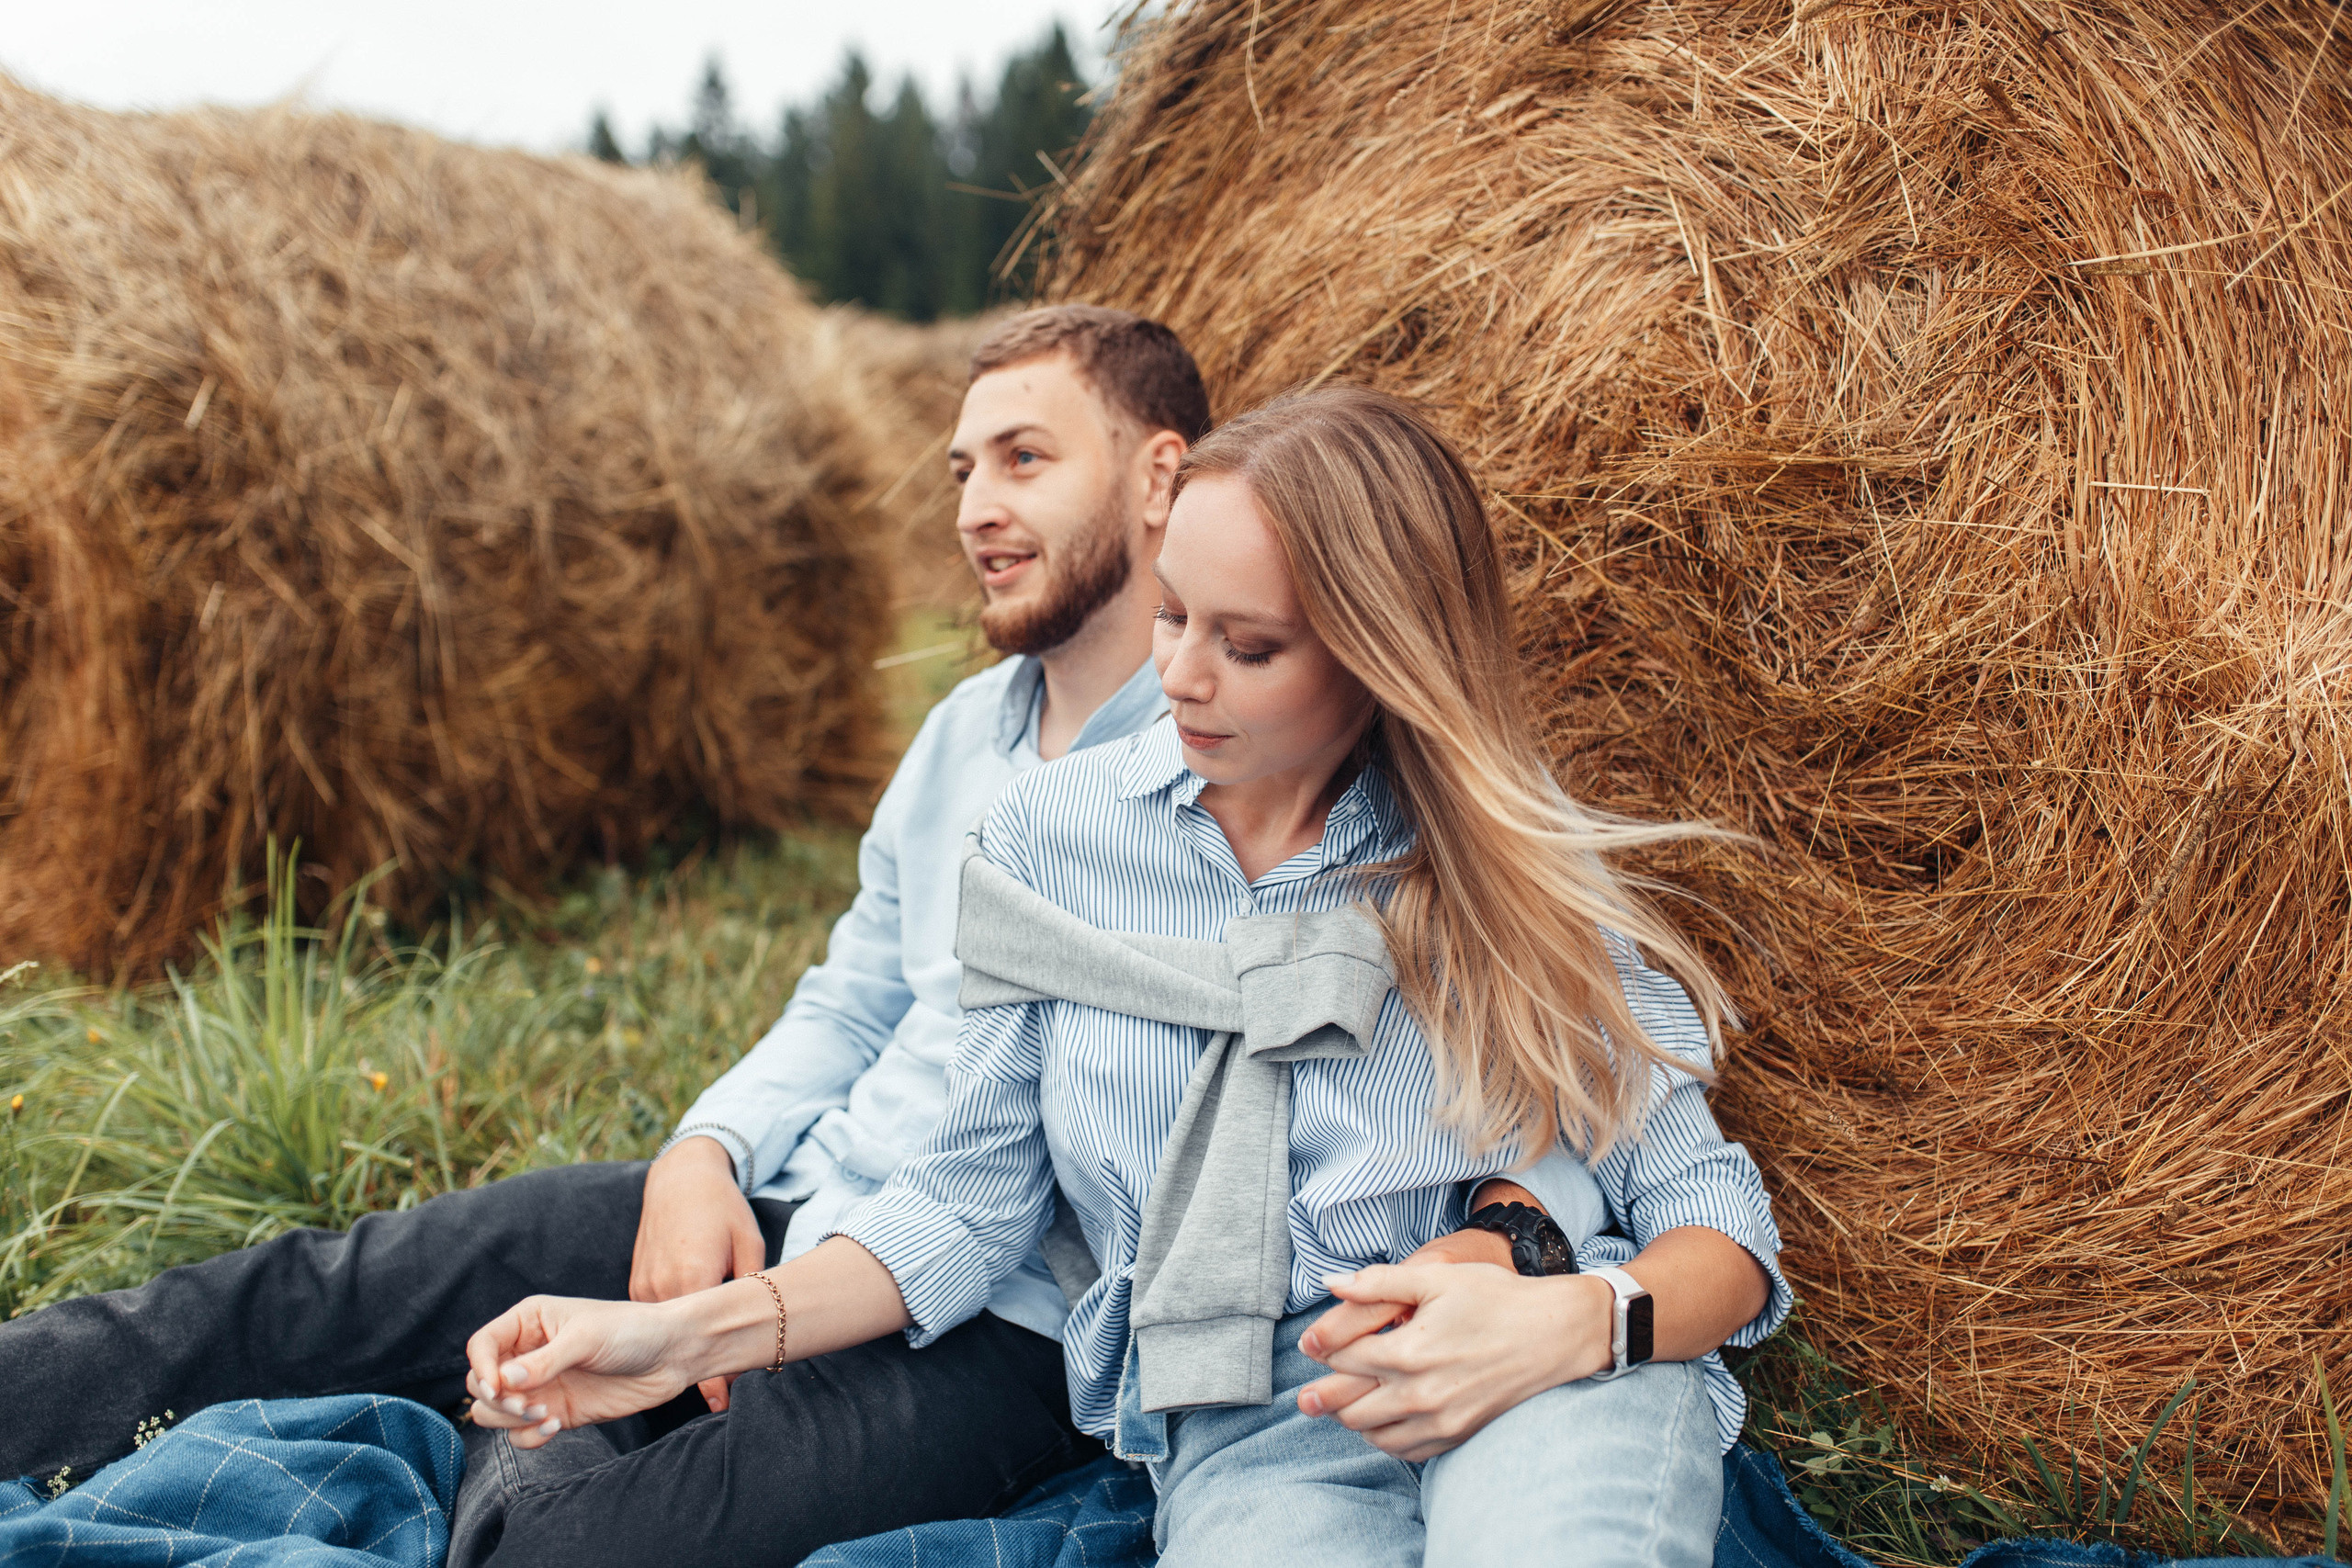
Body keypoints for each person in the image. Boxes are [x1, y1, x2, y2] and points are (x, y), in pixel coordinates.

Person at [461, 386, 1791, 1566]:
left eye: (1249, 647)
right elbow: (963, 1209)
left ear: (1387, 657)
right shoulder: (1048, 841)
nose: (1183, 677)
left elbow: (1714, 1220)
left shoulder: (1497, 864)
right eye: (1170, 617)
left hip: (1544, 1356)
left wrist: (1574, 1326)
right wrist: (684, 1339)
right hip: (1252, 1410)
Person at [0, 305, 1210, 1566]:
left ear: (1157, 479)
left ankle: (510, 1428)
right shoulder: (962, 731)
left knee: (568, 1548)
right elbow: (852, 996)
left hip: (986, 1328)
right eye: (963, 471)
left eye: (1025, 459)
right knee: (340, 1284)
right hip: (789, 1196)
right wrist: (703, 1155)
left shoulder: (1218, 783)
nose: (972, 509)